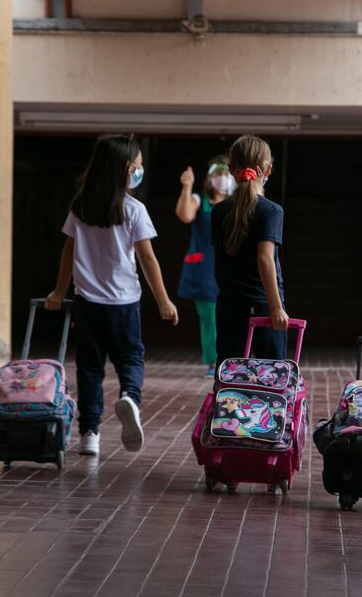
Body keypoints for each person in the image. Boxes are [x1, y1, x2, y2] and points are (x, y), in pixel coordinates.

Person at [45, 135, 179, 457]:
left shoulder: (80, 206)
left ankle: (89, 433)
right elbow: (147, 258)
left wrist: (59, 290)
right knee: (130, 357)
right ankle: (130, 397)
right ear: (126, 169)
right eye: (139, 167)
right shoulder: (134, 209)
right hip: (123, 303)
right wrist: (163, 299)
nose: (141, 171)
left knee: (90, 368)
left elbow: (68, 248)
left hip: (87, 302)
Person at [211, 134, 288, 365]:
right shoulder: (271, 211)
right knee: (272, 374)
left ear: (232, 169)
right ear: (268, 169)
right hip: (263, 304)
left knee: (228, 371)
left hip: (228, 304)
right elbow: (265, 259)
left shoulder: (219, 211)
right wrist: (276, 307)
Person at [176, 156, 235, 377]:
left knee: (233, 314)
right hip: (204, 270)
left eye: (227, 174)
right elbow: (185, 214)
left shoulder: (237, 201)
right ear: (210, 178)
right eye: (219, 174)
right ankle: (214, 362)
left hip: (230, 265)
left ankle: (232, 360)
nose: (223, 179)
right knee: (210, 316)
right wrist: (186, 186)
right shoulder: (200, 200)